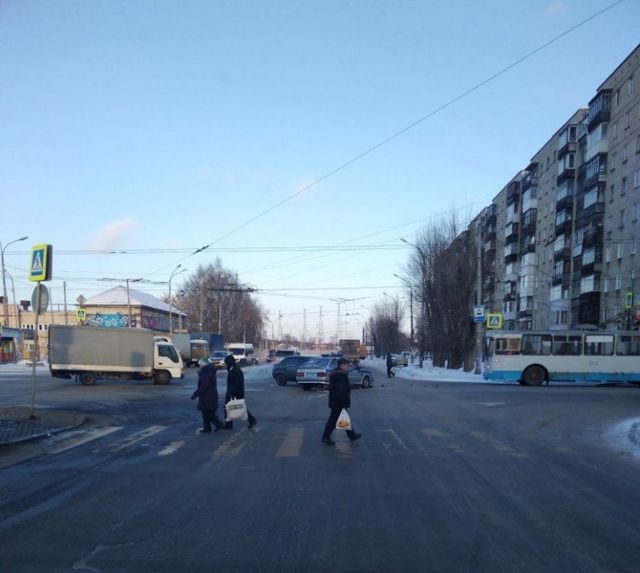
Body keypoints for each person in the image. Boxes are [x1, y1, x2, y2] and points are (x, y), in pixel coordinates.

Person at [321, 357, 362, 445]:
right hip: (338, 402)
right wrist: (343, 402)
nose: (348, 366)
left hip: (337, 401)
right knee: (333, 420)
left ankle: (351, 435)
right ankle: (325, 437)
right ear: (342, 365)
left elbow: (341, 386)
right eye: (346, 365)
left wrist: (349, 386)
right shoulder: (340, 375)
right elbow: (340, 389)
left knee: (344, 419)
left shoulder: (339, 374)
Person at [222, 354, 257, 429]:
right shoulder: (234, 369)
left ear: (229, 362)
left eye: (226, 363)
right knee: (237, 408)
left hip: (235, 393)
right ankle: (251, 420)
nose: (225, 364)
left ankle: (229, 424)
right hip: (236, 393)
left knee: (228, 407)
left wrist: (231, 394)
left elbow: (236, 383)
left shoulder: (234, 370)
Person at [190, 360, 224, 433]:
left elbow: (204, 385)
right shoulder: (209, 370)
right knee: (206, 412)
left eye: (200, 365)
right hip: (211, 394)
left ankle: (218, 424)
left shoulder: (206, 372)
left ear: (203, 365)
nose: (199, 366)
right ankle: (208, 428)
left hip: (207, 396)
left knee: (207, 412)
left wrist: (195, 394)